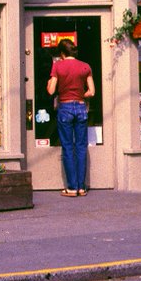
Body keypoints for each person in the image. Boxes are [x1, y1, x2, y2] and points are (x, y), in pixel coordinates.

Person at [46, 38, 94, 197]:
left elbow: (51, 91)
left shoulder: (58, 65)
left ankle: (72, 188)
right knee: (81, 146)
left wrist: (49, 83)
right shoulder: (85, 66)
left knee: (67, 147)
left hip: (65, 107)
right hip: (80, 107)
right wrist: (81, 94)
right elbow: (91, 92)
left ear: (61, 53)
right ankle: (82, 188)